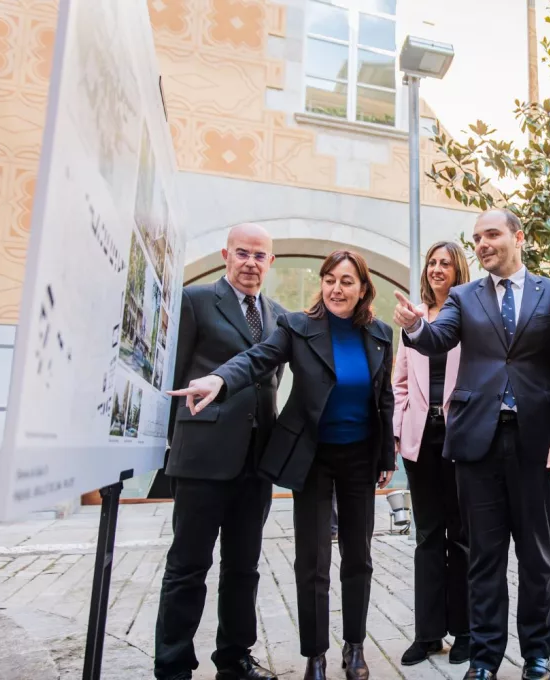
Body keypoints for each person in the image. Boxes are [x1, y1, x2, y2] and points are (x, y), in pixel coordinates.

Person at [169, 250, 396, 680]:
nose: (336, 288)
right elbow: (256, 360)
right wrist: (219, 380)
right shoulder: (296, 327)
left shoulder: (381, 334)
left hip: (358, 458)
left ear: (363, 288)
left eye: (346, 281)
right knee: (312, 561)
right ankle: (314, 654)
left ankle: (354, 646)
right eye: (329, 279)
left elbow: (382, 398)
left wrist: (386, 455)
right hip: (310, 456)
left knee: (359, 557)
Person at [393, 209, 550, 680]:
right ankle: (485, 658)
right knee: (484, 557)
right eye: (476, 237)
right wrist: (415, 327)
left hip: (537, 444)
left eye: (491, 234)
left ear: (519, 237)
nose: (481, 244)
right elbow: (436, 339)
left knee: (536, 556)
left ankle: (537, 653)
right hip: (476, 442)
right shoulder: (462, 295)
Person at [154, 223, 283, 680]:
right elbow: (172, 374)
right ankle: (172, 666)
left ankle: (234, 659)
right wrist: (171, 443)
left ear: (272, 262)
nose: (251, 262)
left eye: (259, 255)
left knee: (243, 569)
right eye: (242, 253)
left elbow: (271, 381)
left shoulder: (277, 315)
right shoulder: (195, 302)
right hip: (202, 457)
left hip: (256, 462)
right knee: (188, 566)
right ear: (226, 254)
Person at [392, 241, 471, 666]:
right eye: (432, 263)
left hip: (462, 440)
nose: (438, 269)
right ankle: (427, 634)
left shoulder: (471, 316)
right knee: (426, 535)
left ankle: (465, 631)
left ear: (459, 271)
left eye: (446, 263)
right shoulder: (413, 319)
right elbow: (400, 380)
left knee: (461, 536)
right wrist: (398, 427)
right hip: (420, 440)